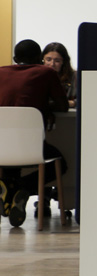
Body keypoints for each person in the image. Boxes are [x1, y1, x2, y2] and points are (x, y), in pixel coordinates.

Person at [0, 39, 70, 227]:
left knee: (11, 163)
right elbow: (63, 106)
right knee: (60, 163)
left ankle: (9, 188)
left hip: (2, 147)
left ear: (15, 58)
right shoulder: (46, 73)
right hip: (31, 146)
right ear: (40, 59)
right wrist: (43, 107)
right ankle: (20, 188)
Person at [41, 42, 77, 107]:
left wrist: (73, 103)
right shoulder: (37, 77)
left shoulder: (74, 76)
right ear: (43, 60)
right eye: (48, 60)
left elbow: (85, 99)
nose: (52, 64)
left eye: (57, 61)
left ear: (63, 62)